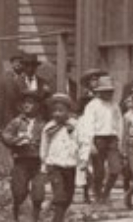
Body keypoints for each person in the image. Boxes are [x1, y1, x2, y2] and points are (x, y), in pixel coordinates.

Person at [0, 92, 47, 222]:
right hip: (21, 161)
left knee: (38, 193)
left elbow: (49, 140)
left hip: (38, 162)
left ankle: (35, 218)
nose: (27, 105)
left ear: (38, 105)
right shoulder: (17, 122)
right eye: (25, 103)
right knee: (19, 191)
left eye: (31, 103)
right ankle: (16, 215)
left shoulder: (43, 124)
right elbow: (6, 135)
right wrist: (17, 140)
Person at [76, 75, 122, 206]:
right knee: (99, 171)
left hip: (112, 139)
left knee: (115, 169)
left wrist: (119, 140)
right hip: (98, 139)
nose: (109, 94)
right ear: (99, 92)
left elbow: (119, 124)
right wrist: (90, 143)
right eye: (106, 91)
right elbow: (88, 125)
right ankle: (98, 195)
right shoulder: (92, 105)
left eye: (110, 91)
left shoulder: (115, 105)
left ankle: (106, 193)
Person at [41, 93, 82, 222]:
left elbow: (81, 142)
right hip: (55, 165)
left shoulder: (76, 125)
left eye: (61, 110)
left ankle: (56, 213)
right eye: (55, 111)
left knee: (68, 197)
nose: (57, 114)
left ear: (68, 111)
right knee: (60, 195)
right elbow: (44, 146)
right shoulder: (49, 128)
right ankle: (57, 219)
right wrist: (44, 162)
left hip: (70, 165)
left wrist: (83, 161)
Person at [0, 55, 50, 147]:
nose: (30, 69)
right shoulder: (15, 82)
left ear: (36, 67)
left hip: (38, 124)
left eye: (33, 66)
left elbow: (47, 105)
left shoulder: (43, 83)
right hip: (18, 124)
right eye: (27, 66)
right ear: (23, 67)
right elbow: (2, 104)